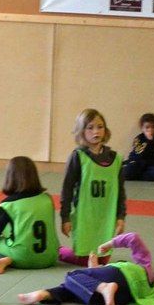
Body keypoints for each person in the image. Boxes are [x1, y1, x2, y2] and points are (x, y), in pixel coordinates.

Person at [18, 232, 154, 305]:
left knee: (72, 276)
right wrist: (95, 269)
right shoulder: (148, 287)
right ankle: (45, 295)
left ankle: (104, 288)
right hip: (123, 298)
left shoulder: (143, 267)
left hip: (115, 281)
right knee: (78, 289)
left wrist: (108, 245)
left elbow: (133, 238)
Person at [59, 109, 126, 265]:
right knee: (85, 259)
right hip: (85, 216)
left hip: (106, 216)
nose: (96, 131)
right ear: (81, 131)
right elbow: (67, 189)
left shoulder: (115, 159)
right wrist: (65, 217)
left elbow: (120, 191)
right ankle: (59, 251)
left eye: (100, 127)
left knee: (103, 259)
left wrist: (120, 216)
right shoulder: (78, 157)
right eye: (90, 127)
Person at [0, 156, 58, 273]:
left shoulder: (8, 205)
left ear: (10, 177)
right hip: (50, 257)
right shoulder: (47, 199)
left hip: (22, 258)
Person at [121, 113, 154, 182]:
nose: (150, 130)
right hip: (138, 163)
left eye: (153, 127)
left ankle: (137, 176)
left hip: (152, 166)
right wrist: (149, 141)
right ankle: (138, 175)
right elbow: (139, 154)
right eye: (147, 127)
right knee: (127, 172)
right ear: (142, 128)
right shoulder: (139, 138)